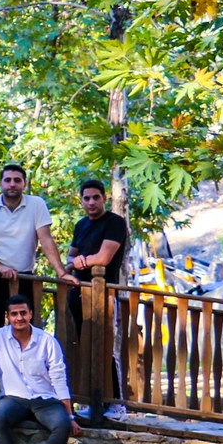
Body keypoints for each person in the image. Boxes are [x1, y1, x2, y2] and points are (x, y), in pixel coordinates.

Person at [0, 290, 75, 444]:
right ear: (7, 316)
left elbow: (58, 377)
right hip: (13, 397)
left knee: (62, 424)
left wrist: (70, 414)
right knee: (0, 417)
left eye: (23, 313)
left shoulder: (47, 341)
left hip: (44, 399)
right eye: (14, 314)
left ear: (31, 314)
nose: (19, 318)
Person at [64, 178, 129, 419]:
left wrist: (82, 261)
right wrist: (75, 263)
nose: (91, 202)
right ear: (81, 201)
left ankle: (116, 404)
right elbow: (70, 257)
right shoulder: (81, 225)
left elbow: (103, 258)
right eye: (86, 198)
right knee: (83, 346)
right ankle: (91, 401)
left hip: (103, 295)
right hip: (79, 293)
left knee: (105, 347)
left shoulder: (115, 223)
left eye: (95, 197)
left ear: (104, 198)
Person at [0, 163, 63, 329]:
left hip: (24, 277)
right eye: (8, 180)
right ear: (1, 184)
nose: (12, 184)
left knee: (26, 326)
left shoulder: (36, 204)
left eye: (17, 180)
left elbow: (46, 240)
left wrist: (61, 273)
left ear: (24, 184)